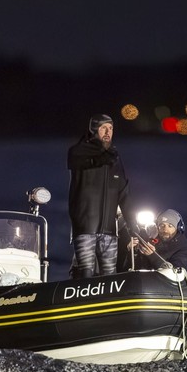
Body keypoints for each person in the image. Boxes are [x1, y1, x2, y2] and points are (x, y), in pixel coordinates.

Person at [67, 113, 135, 278]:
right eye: (103, 127)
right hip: (85, 228)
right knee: (86, 273)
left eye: (111, 128)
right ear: (93, 129)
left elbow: (124, 195)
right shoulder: (78, 151)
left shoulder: (115, 159)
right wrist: (103, 155)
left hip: (109, 231)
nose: (108, 132)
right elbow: (76, 160)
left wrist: (133, 227)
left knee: (110, 276)